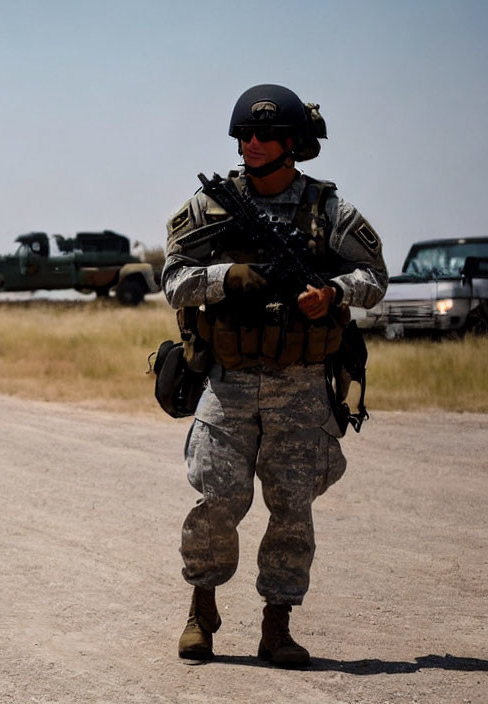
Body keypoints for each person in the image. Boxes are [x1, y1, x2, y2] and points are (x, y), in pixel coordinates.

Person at [162, 84, 387, 667]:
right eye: (245, 135)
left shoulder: (327, 211)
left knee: (292, 506)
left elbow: (374, 276)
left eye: (265, 136)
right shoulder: (212, 206)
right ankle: (202, 609)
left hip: (300, 381)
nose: (252, 144)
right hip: (229, 377)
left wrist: (332, 292)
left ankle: (277, 623)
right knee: (218, 497)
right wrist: (228, 277)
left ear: (293, 145)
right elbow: (172, 279)